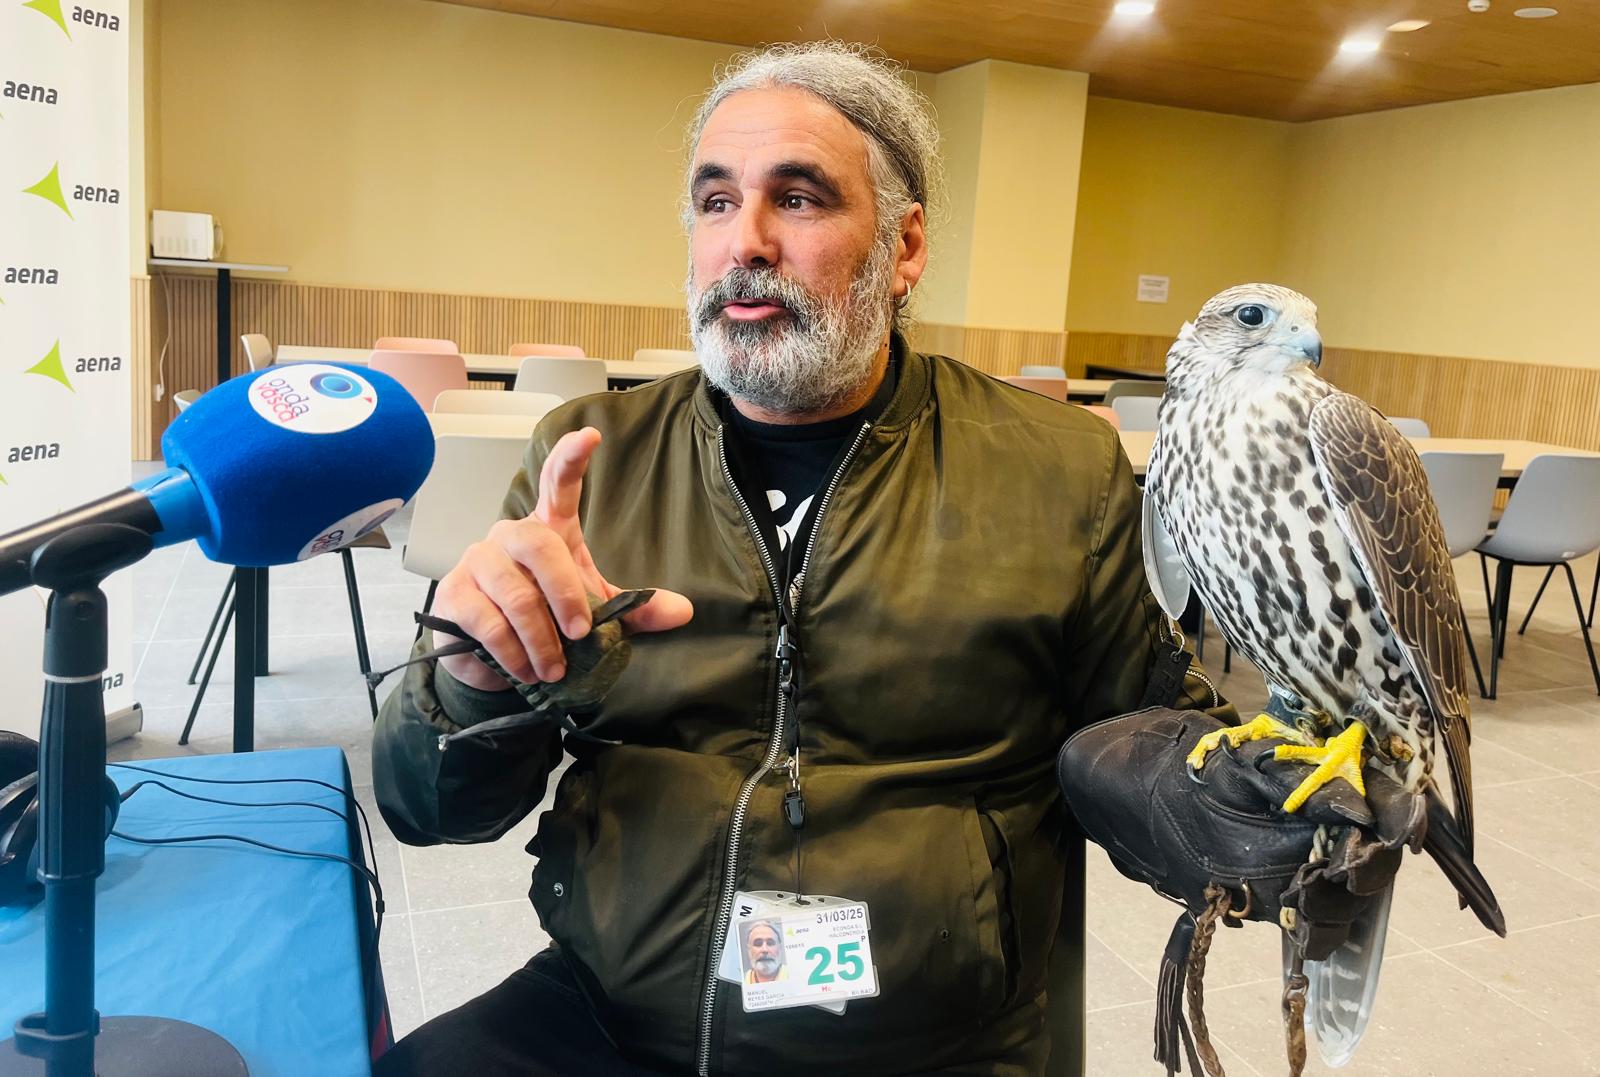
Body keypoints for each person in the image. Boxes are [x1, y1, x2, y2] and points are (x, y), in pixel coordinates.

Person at [371, 41, 1226, 1076]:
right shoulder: (591, 457)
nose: (748, 243)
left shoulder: (1055, 467)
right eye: (716, 200)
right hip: (614, 1014)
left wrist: (1255, 803)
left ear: (903, 248)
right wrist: (466, 678)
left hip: (931, 1040)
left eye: (802, 199)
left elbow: (1148, 746)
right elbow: (431, 810)